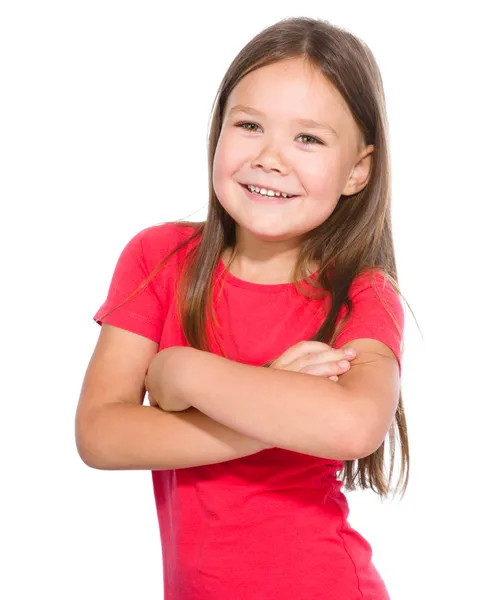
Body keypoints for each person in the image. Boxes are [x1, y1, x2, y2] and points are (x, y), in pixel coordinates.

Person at [75, 16, 410, 600]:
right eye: (250, 125)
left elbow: (354, 425)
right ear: (218, 132)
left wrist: (182, 371)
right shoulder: (158, 259)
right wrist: (273, 405)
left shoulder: (362, 292)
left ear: (358, 169)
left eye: (308, 138)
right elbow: (100, 434)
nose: (271, 157)